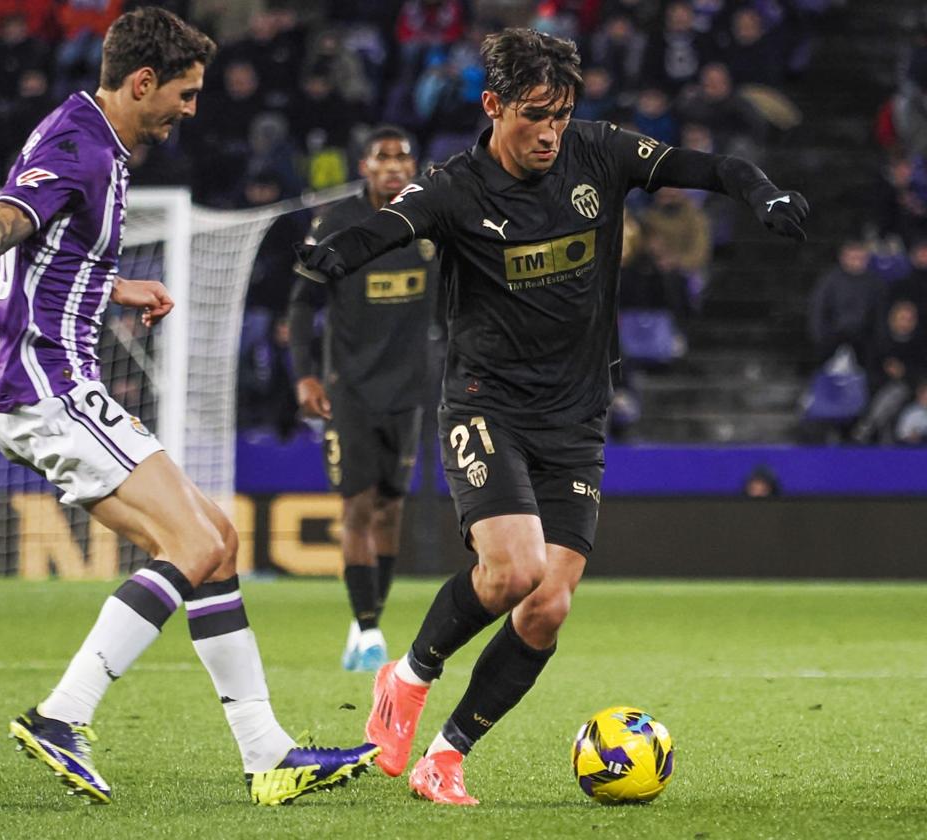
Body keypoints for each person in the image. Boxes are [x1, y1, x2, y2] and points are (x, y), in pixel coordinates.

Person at [295, 27, 808, 806]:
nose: (551, 130)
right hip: (485, 404)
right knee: (513, 570)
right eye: (536, 113)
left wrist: (762, 191)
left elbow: (708, 166)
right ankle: (407, 677)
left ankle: (446, 757)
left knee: (548, 605)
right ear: (493, 104)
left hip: (576, 415)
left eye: (562, 112)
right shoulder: (455, 186)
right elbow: (387, 225)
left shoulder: (597, 153)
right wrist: (335, 259)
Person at [0, 6, 376, 808]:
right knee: (191, 538)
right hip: (45, 386)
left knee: (215, 541)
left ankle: (269, 754)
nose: (190, 111)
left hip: (62, 381)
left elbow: (47, 254)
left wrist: (112, 285)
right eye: (183, 95)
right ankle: (62, 714)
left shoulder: (100, 146)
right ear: (142, 82)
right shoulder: (77, 147)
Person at [288, 125, 439, 673]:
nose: (395, 166)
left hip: (409, 389)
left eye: (403, 156)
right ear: (365, 167)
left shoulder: (429, 220)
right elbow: (302, 303)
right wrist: (304, 376)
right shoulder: (338, 223)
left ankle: (365, 619)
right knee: (357, 507)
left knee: (391, 509)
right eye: (383, 157)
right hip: (349, 390)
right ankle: (370, 629)